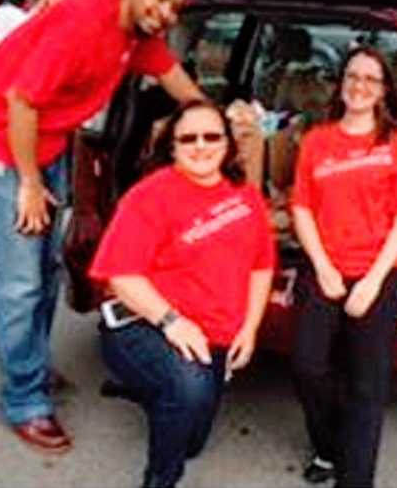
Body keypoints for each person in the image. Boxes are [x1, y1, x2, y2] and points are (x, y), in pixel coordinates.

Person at [0, 0, 206, 455]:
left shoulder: (137, 32)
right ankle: (24, 399)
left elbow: (174, 78)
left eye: (175, 7)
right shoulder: (84, 25)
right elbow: (21, 101)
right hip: (1, 142)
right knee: (17, 280)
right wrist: (28, 182)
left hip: (46, 144)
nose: (166, 13)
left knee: (45, 269)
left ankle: (28, 364)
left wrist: (212, 119)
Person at [87, 100, 275, 488]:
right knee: (187, 388)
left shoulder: (247, 196)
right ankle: (160, 479)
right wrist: (173, 322)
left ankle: (149, 390)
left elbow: (261, 265)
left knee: (192, 441)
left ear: (227, 144)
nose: (201, 146)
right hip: (146, 323)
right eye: (188, 138)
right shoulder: (148, 197)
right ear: (171, 147)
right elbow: (121, 276)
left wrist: (251, 327)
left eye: (212, 136)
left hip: (217, 332)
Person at [290, 46, 397, 488]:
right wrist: (324, 268)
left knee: (368, 383)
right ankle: (329, 446)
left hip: (383, 270)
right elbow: (302, 209)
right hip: (327, 264)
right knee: (308, 365)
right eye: (352, 76)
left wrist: (372, 281)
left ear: (384, 90)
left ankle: (356, 479)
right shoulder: (316, 140)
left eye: (370, 78)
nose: (359, 86)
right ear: (340, 83)